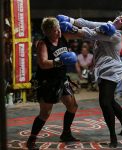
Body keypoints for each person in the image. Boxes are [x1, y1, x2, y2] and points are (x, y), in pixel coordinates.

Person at [56, 10, 122, 148]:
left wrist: (73, 29)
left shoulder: (116, 35)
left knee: (105, 102)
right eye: (120, 16)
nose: (119, 19)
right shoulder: (107, 24)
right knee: (111, 101)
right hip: (102, 69)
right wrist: (71, 20)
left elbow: (91, 34)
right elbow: (89, 23)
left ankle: (113, 138)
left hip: (112, 70)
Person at [26, 17, 80, 150]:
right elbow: (43, 63)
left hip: (62, 79)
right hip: (47, 82)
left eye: (58, 29)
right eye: (55, 30)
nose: (58, 32)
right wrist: (61, 61)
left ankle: (66, 133)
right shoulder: (43, 44)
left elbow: (81, 34)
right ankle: (31, 140)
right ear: (48, 31)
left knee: (72, 106)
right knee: (45, 113)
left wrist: (93, 30)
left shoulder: (63, 37)